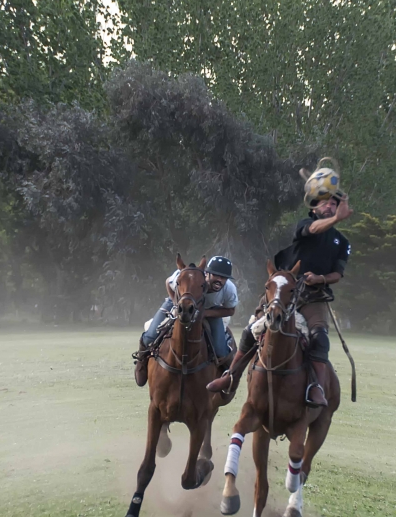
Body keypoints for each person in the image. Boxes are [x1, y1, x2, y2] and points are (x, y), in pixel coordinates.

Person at [207, 174, 353, 408]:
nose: (330, 206)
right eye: (325, 202)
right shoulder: (305, 225)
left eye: (334, 203)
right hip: (283, 293)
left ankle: (315, 388)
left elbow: (338, 274)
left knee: (320, 338)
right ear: (314, 208)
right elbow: (315, 229)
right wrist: (336, 218)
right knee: (252, 329)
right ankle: (230, 376)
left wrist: (320, 278)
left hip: (314, 297)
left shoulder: (342, 242)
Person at [132, 256, 238, 387]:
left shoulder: (229, 289)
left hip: (210, 310)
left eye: (224, 277)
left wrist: (205, 314)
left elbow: (230, 310)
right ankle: (141, 362)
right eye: (216, 275)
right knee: (150, 336)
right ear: (207, 273)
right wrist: (176, 304)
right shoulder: (187, 276)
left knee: (221, 350)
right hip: (178, 303)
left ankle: (228, 376)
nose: (220, 280)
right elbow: (167, 282)